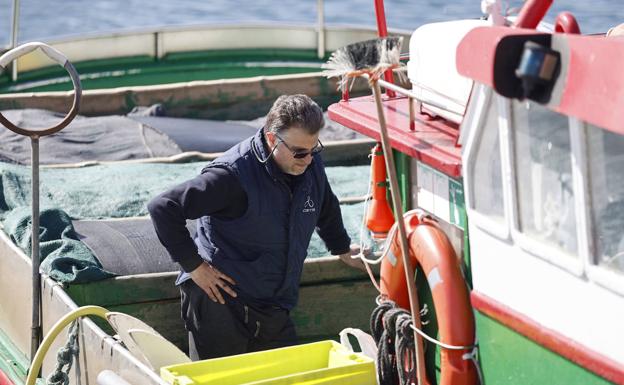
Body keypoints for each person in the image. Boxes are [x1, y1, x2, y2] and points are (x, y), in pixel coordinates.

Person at [148, 94, 359, 360]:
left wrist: (341, 247)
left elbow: (324, 203)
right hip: (221, 304)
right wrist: (195, 267)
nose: (308, 159)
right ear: (272, 140)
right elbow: (163, 207)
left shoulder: (309, 164)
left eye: (314, 148)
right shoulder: (231, 176)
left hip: (272, 304)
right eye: (300, 152)